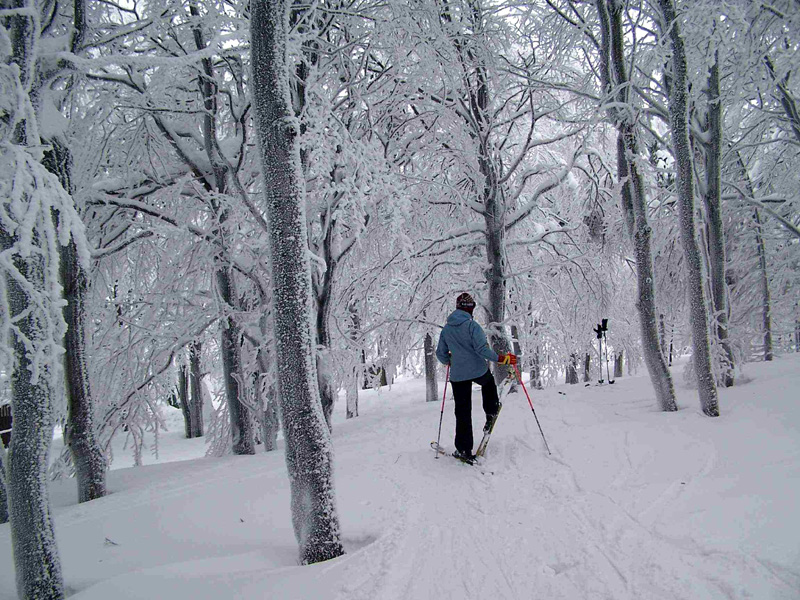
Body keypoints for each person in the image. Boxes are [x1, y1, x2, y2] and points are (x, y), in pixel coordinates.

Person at [435, 292, 517, 461]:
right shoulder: (473, 327)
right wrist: (502, 358)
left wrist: (450, 360)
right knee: (488, 385)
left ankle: (464, 450)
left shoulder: (447, 330)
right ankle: (491, 413)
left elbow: (440, 354)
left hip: (458, 375)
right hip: (477, 369)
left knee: (463, 412)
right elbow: (482, 350)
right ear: (470, 309)